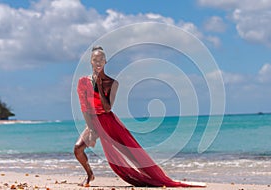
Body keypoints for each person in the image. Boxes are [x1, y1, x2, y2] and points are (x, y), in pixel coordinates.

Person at [74, 46, 206, 188]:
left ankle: (157, 178)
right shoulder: (83, 82)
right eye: (95, 60)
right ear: (91, 62)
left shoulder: (113, 83)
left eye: (101, 59)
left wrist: (99, 86)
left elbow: (107, 108)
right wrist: (92, 129)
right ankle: (90, 174)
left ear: (106, 62)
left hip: (108, 121)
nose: (98, 62)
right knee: (78, 149)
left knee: (131, 153)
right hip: (93, 122)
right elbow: (84, 108)